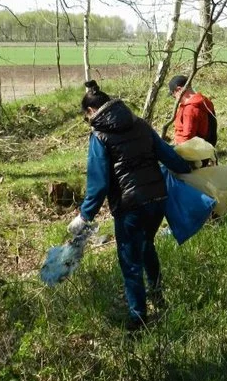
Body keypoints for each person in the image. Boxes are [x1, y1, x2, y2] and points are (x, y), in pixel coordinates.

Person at [68, 80, 192, 330]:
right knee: (147, 245)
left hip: (130, 206)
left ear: (91, 112)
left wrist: (85, 215)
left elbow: (99, 182)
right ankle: (157, 295)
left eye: (86, 117)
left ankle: (139, 319)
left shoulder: (100, 136)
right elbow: (168, 155)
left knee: (130, 261)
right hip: (158, 199)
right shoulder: (141, 124)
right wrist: (188, 168)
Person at [169, 75, 217, 146]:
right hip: (206, 147)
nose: (175, 98)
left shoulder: (190, 109)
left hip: (191, 152)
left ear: (179, 90)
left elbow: (188, 140)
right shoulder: (204, 101)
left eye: (173, 95)